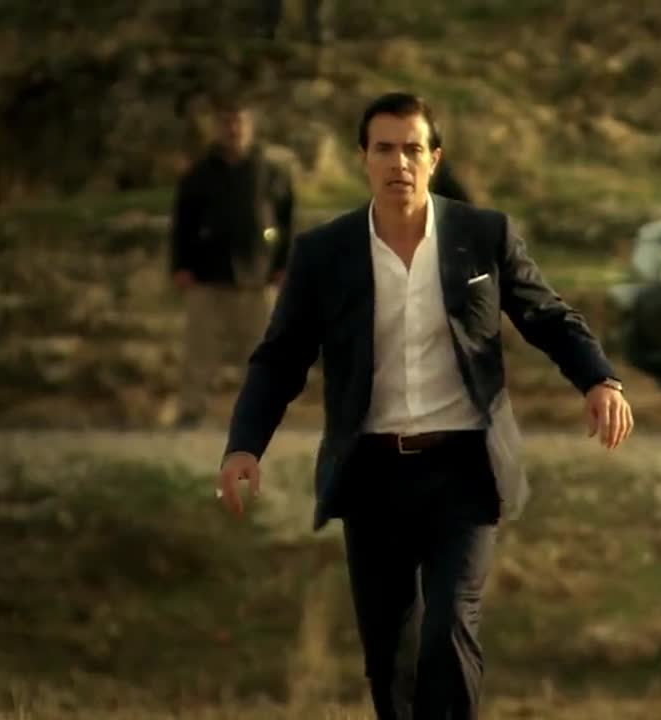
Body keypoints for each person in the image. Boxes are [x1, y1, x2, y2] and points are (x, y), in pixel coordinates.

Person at [214, 92, 634, 719]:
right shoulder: (324, 253)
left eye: (413, 149)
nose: (399, 163)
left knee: (449, 629)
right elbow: (279, 359)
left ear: (434, 159)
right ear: (363, 159)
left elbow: (548, 317)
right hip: (371, 473)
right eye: (384, 149)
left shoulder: (483, 236)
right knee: (391, 658)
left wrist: (600, 380)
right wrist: (245, 445)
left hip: (463, 468)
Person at [169, 93, 295, 428]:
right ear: (216, 127)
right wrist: (180, 266)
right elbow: (182, 223)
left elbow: (286, 222)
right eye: (226, 122)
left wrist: (284, 265)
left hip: (258, 276)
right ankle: (191, 411)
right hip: (207, 276)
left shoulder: (271, 173)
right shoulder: (198, 175)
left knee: (262, 354)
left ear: (250, 126)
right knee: (198, 352)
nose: (233, 128)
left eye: (239, 121)